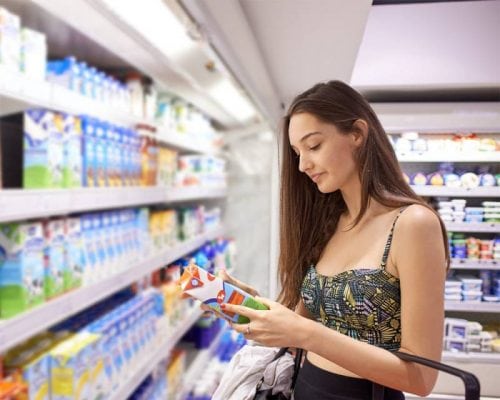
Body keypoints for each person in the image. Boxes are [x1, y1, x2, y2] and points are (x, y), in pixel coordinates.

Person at [216, 80, 448, 399]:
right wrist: (250, 308)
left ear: (357, 134)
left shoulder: (412, 224)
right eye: (297, 153)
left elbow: (421, 378)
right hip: (305, 387)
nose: (302, 165)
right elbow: (299, 328)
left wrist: (309, 334)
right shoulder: (328, 224)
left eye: (313, 146)